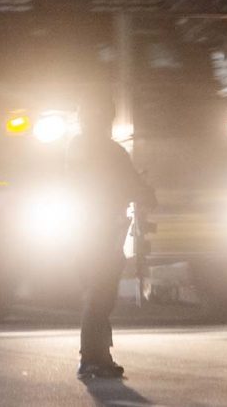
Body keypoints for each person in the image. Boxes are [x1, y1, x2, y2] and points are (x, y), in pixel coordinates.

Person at [66, 96, 156, 381]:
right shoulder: (110, 150)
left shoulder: (77, 146)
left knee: (96, 293)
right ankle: (92, 358)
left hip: (83, 231)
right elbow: (133, 185)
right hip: (102, 232)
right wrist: (146, 193)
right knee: (101, 295)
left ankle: (98, 358)